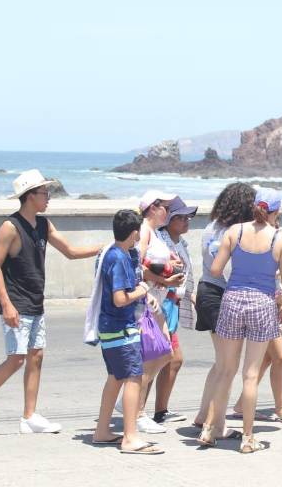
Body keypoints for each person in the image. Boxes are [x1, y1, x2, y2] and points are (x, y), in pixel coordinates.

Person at [0, 170, 101, 435]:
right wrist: (6, 304)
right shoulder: (10, 226)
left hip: (36, 300)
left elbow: (70, 252)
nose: (48, 197)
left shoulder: (43, 224)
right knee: (16, 359)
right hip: (16, 301)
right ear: (29, 196)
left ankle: (29, 417)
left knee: (36, 357)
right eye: (44, 193)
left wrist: (104, 249)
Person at [198, 188, 282, 454]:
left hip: (232, 300)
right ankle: (248, 438)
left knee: (225, 369)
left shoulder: (235, 231)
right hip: (262, 304)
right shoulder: (279, 239)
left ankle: (209, 428)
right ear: (276, 212)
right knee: (250, 375)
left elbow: (216, 269)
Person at [92, 210, 163, 454]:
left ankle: (102, 430)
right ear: (134, 233)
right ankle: (130, 436)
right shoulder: (119, 258)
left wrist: (144, 293)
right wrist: (142, 291)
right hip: (120, 328)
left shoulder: (112, 253)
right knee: (134, 377)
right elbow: (120, 298)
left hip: (109, 329)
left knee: (116, 377)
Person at [193, 182, 256, 428]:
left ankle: (203, 415)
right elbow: (230, 271)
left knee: (221, 363)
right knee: (229, 366)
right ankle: (215, 424)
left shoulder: (211, 227)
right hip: (221, 295)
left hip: (207, 291)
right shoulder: (232, 233)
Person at [231, 221, 282, 424]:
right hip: (262, 306)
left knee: (267, 358)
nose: (278, 222)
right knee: (279, 357)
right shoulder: (258, 239)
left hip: (268, 306)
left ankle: (240, 404)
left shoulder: (274, 239)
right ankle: (280, 408)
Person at [131, 190, 185, 434]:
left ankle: (132, 403)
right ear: (153, 207)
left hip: (157, 299)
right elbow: (136, 265)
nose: (168, 210)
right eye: (165, 206)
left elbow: (150, 263)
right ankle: (137, 411)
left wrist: (169, 268)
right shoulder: (144, 230)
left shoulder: (153, 233)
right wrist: (164, 278)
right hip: (149, 300)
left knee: (164, 354)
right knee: (153, 356)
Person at [145, 197, 198, 424]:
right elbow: (152, 269)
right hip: (162, 302)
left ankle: (159, 411)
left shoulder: (178, 243)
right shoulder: (161, 242)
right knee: (164, 357)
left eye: (188, 217)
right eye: (181, 217)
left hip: (171, 302)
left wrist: (192, 297)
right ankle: (138, 409)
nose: (186, 221)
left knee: (168, 359)